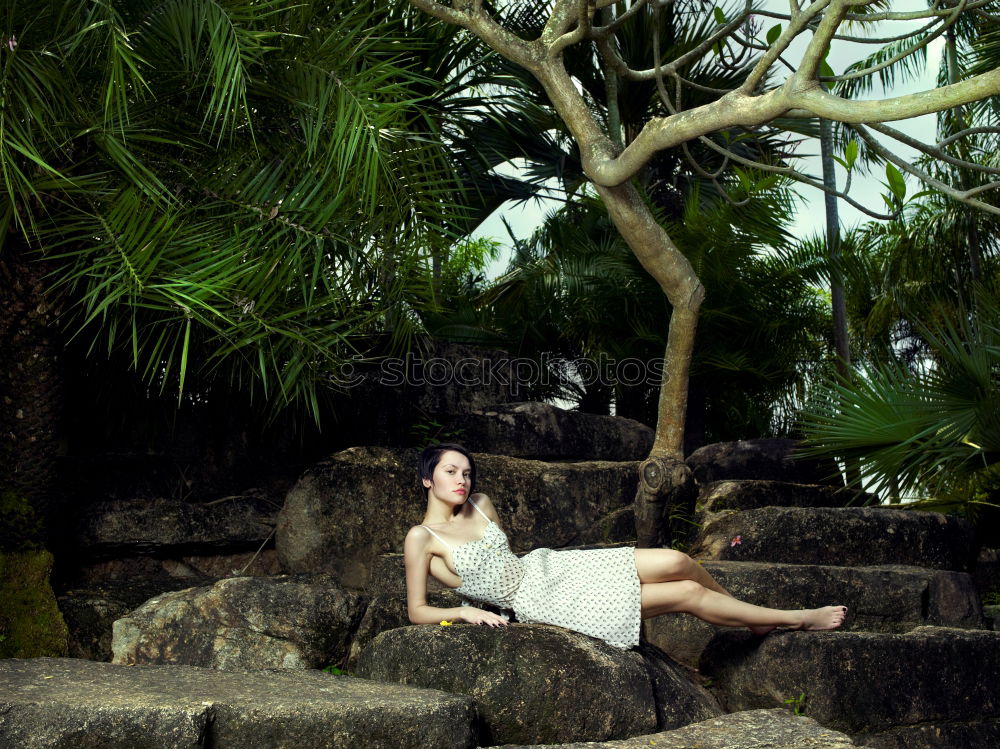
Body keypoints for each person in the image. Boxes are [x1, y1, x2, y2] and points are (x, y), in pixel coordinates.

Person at [404, 443, 847, 649]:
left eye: (466, 472)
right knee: (687, 595)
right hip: (540, 602)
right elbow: (417, 610)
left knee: (679, 560)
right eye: (449, 472)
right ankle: (796, 619)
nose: (462, 480)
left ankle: (750, 619)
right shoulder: (422, 539)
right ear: (428, 479)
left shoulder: (481, 504)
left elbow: (505, 558)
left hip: (550, 568)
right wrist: (465, 610)